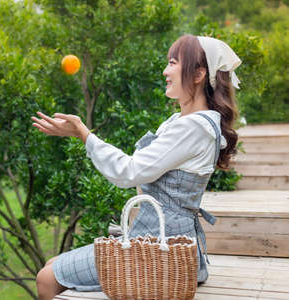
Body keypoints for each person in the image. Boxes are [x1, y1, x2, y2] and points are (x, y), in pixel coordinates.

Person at [31, 34, 241, 300]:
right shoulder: (183, 121)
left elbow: (128, 172)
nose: (165, 71)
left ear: (198, 74)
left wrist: (84, 133)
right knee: (52, 264)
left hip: (160, 251)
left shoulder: (193, 127)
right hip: (164, 243)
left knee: (46, 278)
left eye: (173, 63)